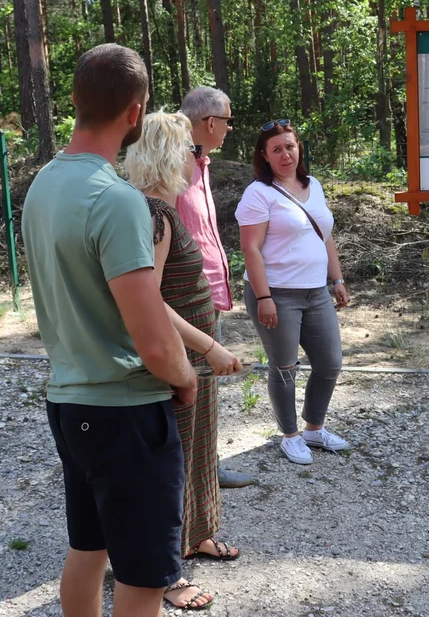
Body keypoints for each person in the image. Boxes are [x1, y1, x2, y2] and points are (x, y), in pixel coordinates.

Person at [22, 43, 197, 616]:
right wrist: (186, 377)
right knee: (144, 578)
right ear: (136, 113)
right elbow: (151, 335)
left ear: (74, 100)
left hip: (69, 401)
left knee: (89, 548)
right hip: (125, 411)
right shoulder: (117, 200)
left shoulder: (42, 185)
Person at [125, 111, 244, 610]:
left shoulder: (165, 208)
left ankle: (196, 535)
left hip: (192, 356)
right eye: (192, 150)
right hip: (180, 358)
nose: (199, 158)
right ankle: (166, 573)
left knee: (197, 449)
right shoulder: (154, 214)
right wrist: (208, 347)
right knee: (170, 463)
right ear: (168, 154)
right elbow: (148, 298)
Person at [236, 119, 351, 465]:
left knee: (330, 363)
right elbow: (251, 250)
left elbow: (325, 235)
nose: (285, 154)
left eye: (290, 146)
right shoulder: (259, 193)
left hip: (316, 291)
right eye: (277, 149)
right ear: (265, 156)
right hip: (277, 294)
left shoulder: (313, 185)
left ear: (299, 148)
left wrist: (338, 279)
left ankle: (314, 428)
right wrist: (265, 297)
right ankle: (290, 435)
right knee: (284, 366)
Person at [175, 86, 256, 490]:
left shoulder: (199, 162)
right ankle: (195, 474)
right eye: (227, 120)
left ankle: (203, 467)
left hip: (206, 295)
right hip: (186, 298)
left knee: (203, 386)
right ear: (210, 123)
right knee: (193, 386)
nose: (228, 128)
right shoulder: (173, 164)